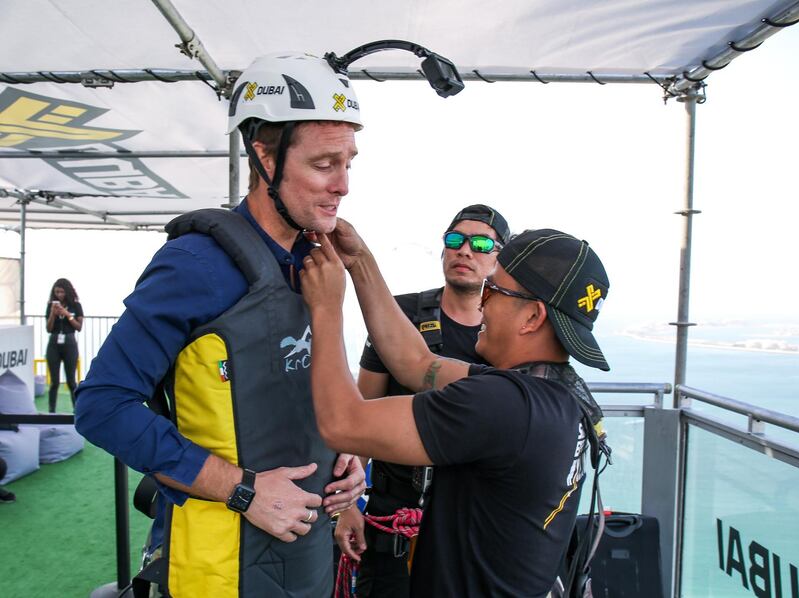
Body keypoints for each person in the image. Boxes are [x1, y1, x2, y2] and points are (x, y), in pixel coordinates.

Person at [74, 52, 368, 598]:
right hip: (218, 566)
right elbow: (102, 404)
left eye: (350, 162)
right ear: (264, 156)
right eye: (325, 165)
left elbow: (307, 381)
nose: (344, 185)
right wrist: (242, 490)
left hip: (305, 557)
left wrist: (349, 462)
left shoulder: (316, 262)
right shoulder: (198, 265)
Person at [301, 225, 610, 597]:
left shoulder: (504, 405)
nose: (482, 302)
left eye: (493, 289)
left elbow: (342, 423)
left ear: (532, 318)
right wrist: (359, 261)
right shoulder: (556, 391)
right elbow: (414, 363)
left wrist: (325, 307)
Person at [335, 204, 510, 596]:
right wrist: (348, 506)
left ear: (500, 259)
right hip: (393, 517)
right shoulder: (400, 316)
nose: (466, 251)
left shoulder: (503, 337)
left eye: (482, 243)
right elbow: (360, 417)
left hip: (468, 525)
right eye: (455, 240)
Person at [44, 278, 83, 413]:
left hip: (69, 343)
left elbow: (79, 327)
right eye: (57, 292)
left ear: (67, 292)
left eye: (61, 292)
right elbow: (48, 329)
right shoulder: (51, 306)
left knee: (71, 381)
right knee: (54, 382)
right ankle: (51, 411)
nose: (59, 295)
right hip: (54, 343)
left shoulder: (76, 306)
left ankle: (77, 411)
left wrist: (67, 315)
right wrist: (52, 315)